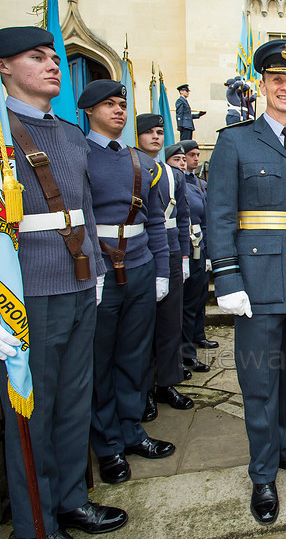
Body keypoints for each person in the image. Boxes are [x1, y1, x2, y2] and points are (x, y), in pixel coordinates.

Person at [0, 26, 126, 539]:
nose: (53, 65)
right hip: (27, 291)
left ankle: (72, 500)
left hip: (77, 284)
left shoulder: (70, 133)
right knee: (33, 408)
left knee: (74, 401)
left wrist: (92, 268)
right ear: (3, 67)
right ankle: (36, 524)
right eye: (36, 57)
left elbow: (86, 211)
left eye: (54, 56)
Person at [205, 39, 286, 525]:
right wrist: (226, 276)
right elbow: (219, 213)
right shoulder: (235, 141)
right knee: (259, 380)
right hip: (255, 282)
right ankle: (262, 474)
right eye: (278, 80)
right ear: (262, 85)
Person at [78, 79, 175, 486]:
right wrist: (91, 269)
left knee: (134, 357)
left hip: (138, 266)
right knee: (100, 362)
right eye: (109, 105)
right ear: (88, 110)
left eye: (122, 104)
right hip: (97, 269)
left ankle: (132, 430)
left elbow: (153, 219)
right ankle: (108, 446)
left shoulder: (141, 162)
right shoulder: (77, 154)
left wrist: (162, 269)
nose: (119, 111)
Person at [135, 115, 193, 421]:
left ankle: (167, 382)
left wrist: (183, 256)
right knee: (143, 328)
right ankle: (143, 389)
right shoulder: (132, 165)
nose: (156, 137)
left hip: (170, 252)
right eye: (149, 133)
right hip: (141, 253)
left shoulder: (173, 174)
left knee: (171, 324)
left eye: (160, 132)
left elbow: (182, 217)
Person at [180, 139, 218, 372]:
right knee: (187, 303)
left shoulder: (201, 183)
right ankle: (186, 351)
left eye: (195, 155)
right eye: (187, 156)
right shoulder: (177, 181)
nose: (194, 159)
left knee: (200, 294)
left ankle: (198, 334)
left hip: (200, 245)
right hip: (185, 246)